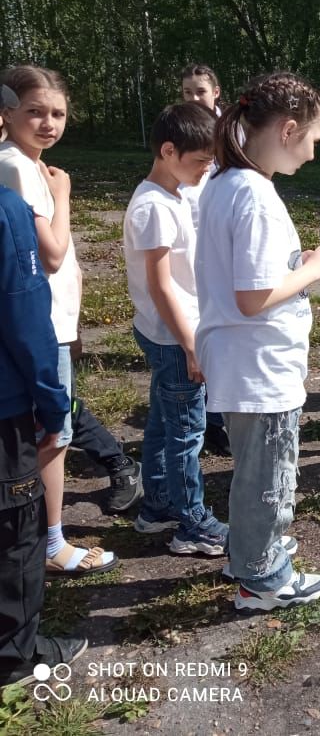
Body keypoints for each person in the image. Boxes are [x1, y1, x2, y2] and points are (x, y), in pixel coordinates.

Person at [195, 72, 320, 611]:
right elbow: (254, 297)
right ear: (288, 129)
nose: (313, 152)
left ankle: (253, 549)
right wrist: (317, 267)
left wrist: (292, 268)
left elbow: (250, 277)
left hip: (242, 360)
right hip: (259, 366)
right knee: (268, 475)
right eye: (314, 140)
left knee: (256, 468)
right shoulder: (253, 194)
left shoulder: (226, 183)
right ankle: (263, 578)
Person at [0, 66, 118, 576]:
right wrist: (66, 195)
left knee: (52, 430)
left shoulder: (28, 163)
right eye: (35, 112)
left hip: (53, 322)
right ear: (7, 114)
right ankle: (50, 541)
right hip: (40, 325)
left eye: (58, 113)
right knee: (54, 435)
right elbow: (51, 254)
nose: (49, 123)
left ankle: (44, 536)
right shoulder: (18, 169)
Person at [124, 102, 229, 556]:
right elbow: (162, 287)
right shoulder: (155, 207)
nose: (207, 170)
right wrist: (191, 346)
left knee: (164, 424)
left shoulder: (171, 196)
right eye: (200, 160)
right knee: (187, 432)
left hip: (166, 332)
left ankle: (158, 506)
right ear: (169, 150)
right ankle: (193, 525)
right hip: (173, 336)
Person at [0, 184, 87, 687]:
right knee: (15, 531)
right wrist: (54, 403)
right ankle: (14, 655)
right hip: (6, 403)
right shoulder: (7, 209)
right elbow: (25, 315)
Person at [179, 63, 232, 457]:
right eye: (187, 92)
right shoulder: (177, 130)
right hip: (189, 230)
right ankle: (210, 420)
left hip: (221, 232)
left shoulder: (231, 130)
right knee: (198, 331)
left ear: (216, 92)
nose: (194, 98)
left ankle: (219, 417)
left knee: (222, 328)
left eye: (200, 91)